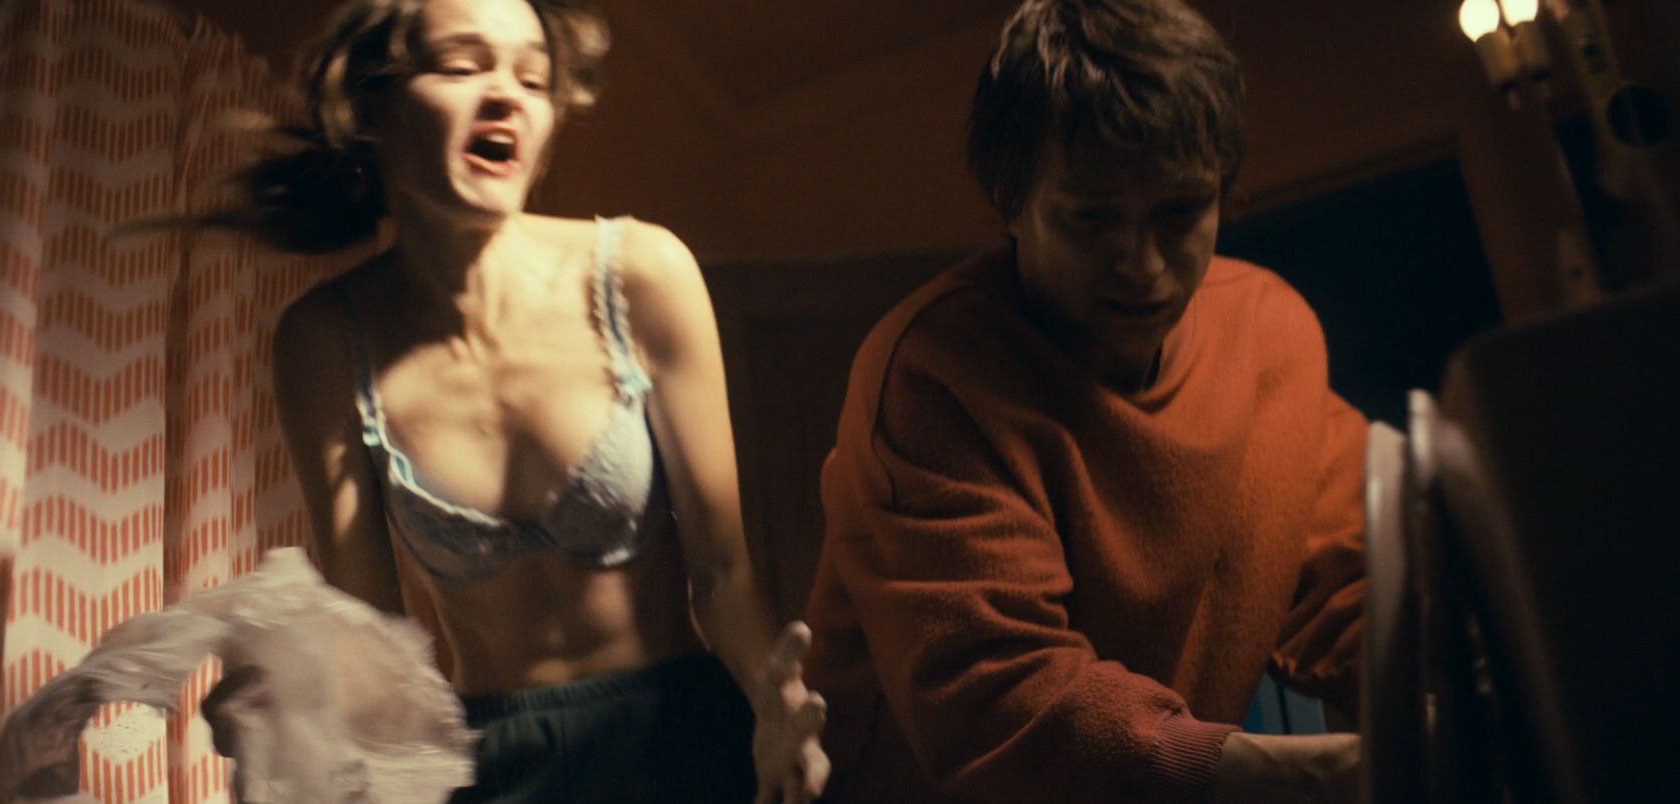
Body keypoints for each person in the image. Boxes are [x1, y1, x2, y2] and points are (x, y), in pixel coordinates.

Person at [197, 0, 828, 800]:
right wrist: (289, 702)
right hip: (485, 766)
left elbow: (726, 572)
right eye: (462, 65)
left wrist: (775, 707)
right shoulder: (322, 340)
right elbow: (371, 638)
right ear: (372, 108)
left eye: (532, 78)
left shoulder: (643, 273)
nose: (506, 94)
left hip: (688, 742)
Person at [800, 0, 1368, 801]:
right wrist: (1320, 774)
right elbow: (1006, 702)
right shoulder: (933, 376)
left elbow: (1350, 586)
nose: (1143, 264)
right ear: (1012, 202)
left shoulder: (1270, 336)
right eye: (1092, 219)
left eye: (1180, 212)